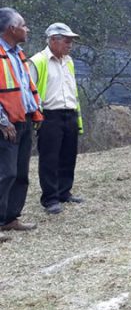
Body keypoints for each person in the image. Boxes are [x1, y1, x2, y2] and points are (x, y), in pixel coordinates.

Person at [29, 23, 85, 215]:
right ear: (53, 40)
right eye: (67, 41)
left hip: (69, 113)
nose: (70, 45)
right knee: (49, 158)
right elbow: (29, 90)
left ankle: (64, 192)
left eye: (71, 42)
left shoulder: (68, 61)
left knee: (68, 156)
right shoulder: (38, 61)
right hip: (49, 115)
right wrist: (36, 116)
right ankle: (50, 198)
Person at [0, 7, 42, 241]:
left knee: (20, 174)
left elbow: (26, 88)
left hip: (24, 120)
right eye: (23, 25)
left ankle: (10, 218)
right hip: (6, 124)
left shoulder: (18, 54)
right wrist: (2, 121)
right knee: (5, 173)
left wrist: (36, 112)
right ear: (11, 29)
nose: (27, 29)